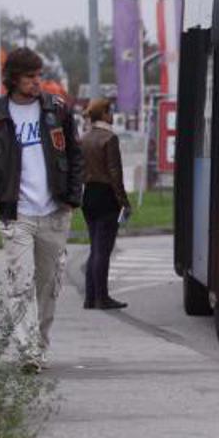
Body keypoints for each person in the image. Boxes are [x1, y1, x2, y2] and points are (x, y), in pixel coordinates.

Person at [0, 48, 82, 373]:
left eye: (38, 75)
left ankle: (39, 345)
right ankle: (27, 352)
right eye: (29, 77)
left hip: (54, 211)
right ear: (13, 78)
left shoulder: (57, 111)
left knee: (47, 284)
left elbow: (75, 155)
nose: (36, 82)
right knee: (19, 284)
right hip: (17, 213)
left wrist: (72, 197)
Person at [80, 98, 131, 310]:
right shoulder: (109, 139)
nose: (112, 116)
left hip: (88, 195)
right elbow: (115, 174)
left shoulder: (83, 138)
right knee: (104, 250)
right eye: (110, 112)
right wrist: (124, 202)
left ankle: (90, 297)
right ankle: (102, 297)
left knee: (94, 247)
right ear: (104, 114)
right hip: (107, 195)